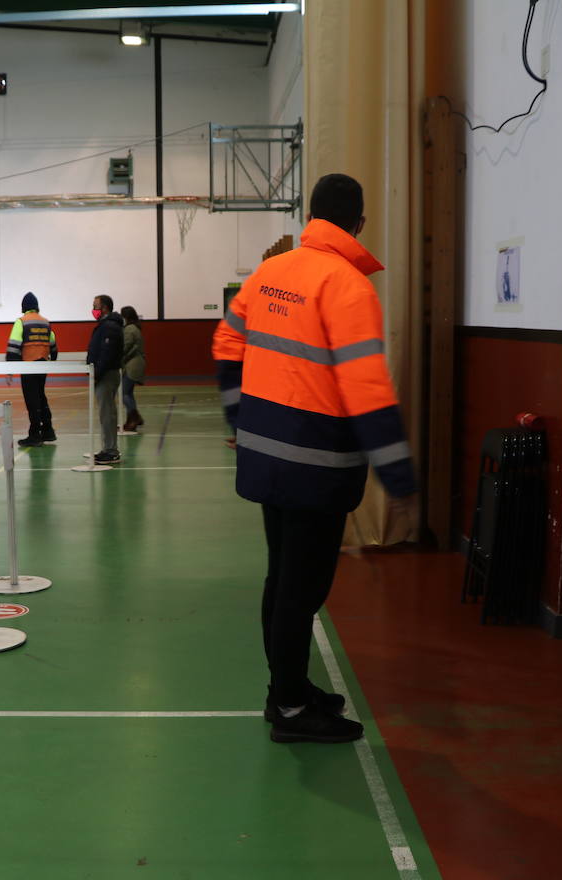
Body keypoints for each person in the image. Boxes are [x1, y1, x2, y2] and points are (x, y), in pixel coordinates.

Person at [212, 173, 417, 744]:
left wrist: (239, 418)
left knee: (282, 580)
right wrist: (399, 474)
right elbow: (367, 388)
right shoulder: (347, 286)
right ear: (358, 223)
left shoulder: (269, 274)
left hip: (266, 459)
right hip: (317, 467)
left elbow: (226, 346)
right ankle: (290, 708)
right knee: (302, 591)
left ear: (313, 215)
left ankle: (291, 688)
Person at [7, 291, 58, 447]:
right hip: (43, 365)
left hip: (28, 365)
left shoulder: (21, 322)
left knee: (32, 401)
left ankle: (35, 435)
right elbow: (53, 345)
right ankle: (48, 431)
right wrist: (52, 360)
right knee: (41, 397)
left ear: (24, 307)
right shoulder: (46, 322)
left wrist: (10, 367)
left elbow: (14, 345)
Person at [86, 295, 124, 465]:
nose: (93, 309)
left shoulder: (109, 327)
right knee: (105, 412)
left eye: (96, 306)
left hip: (106, 375)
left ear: (105, 308)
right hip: (104, 374)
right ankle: (107, 448)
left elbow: (106, 354)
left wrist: (96, 373)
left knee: (107, 413)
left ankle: (111, 450)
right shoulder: (106, 325)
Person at [119, 306, 146, 432]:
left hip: (132, 365)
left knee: (123, 393)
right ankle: (134, 418)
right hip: (136, 364)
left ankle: (134, 417)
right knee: (128, 393)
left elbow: (125, 347)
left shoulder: (129, 329)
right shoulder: (135, 328)